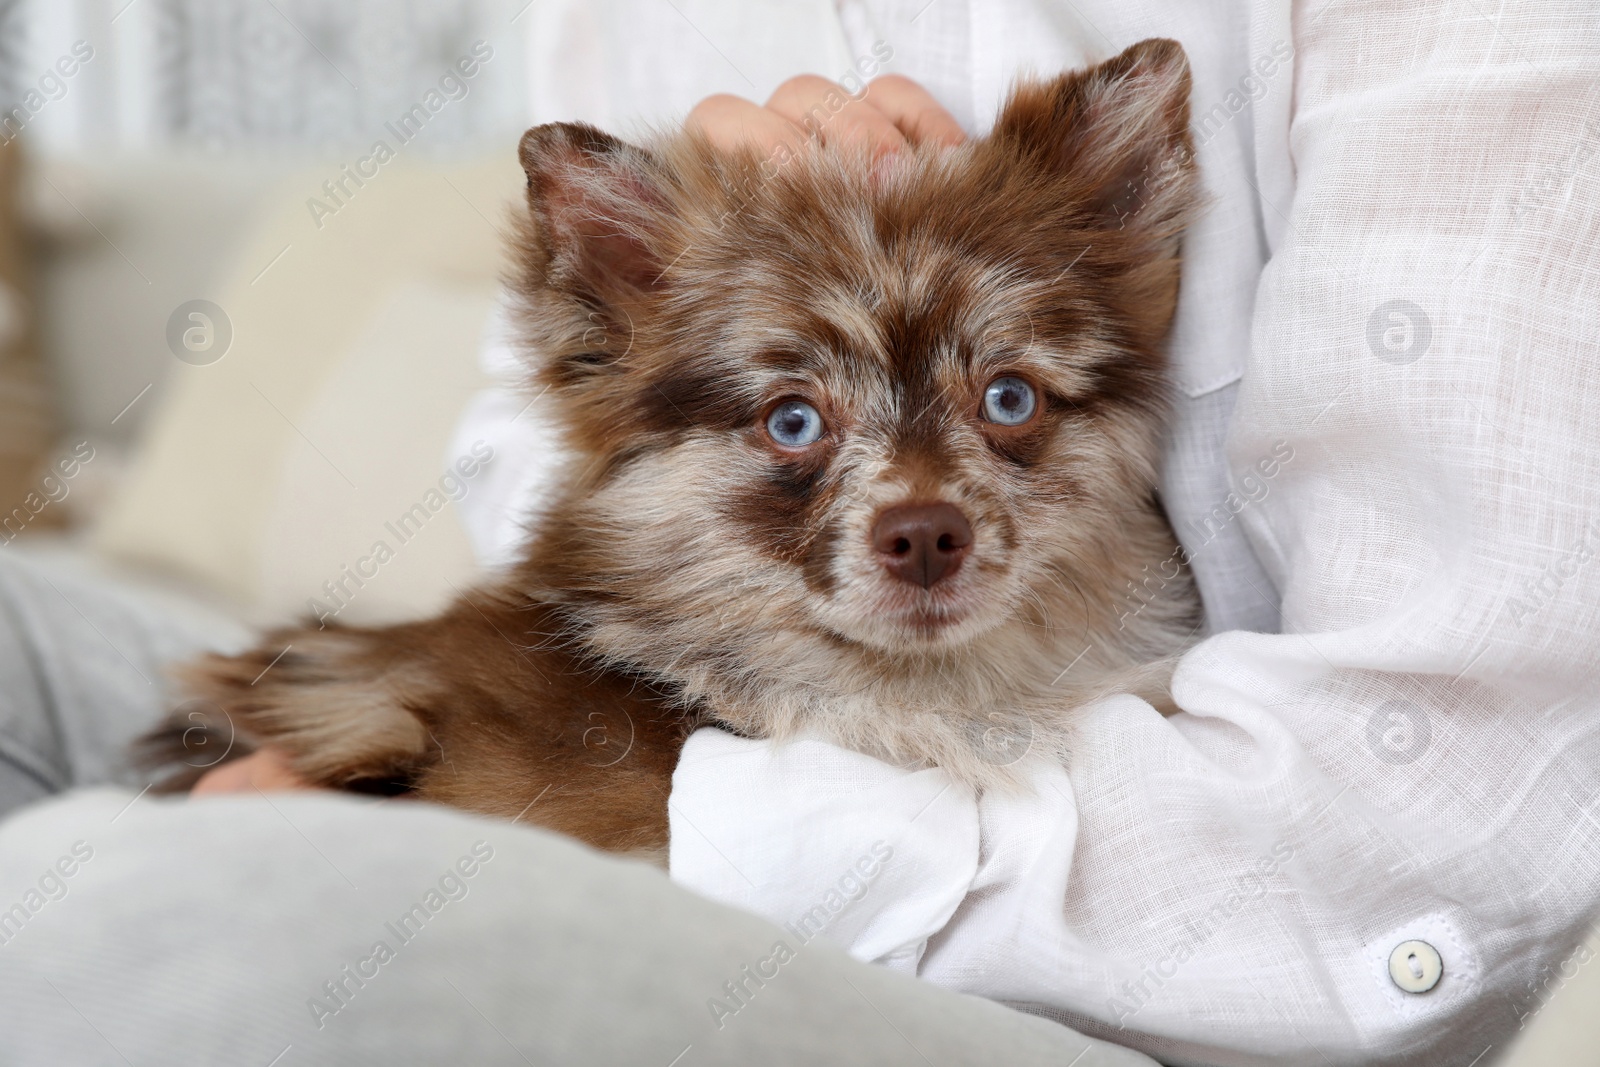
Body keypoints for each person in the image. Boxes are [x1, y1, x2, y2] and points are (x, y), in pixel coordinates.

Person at [4, 1, 1598, 1064]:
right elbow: (544, 454)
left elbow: (1434, 824)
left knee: (156, 906)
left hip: (1101, 955)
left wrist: (550, 815)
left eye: (1010, 410)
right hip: (657, 699)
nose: (916, 516)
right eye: (799, 430)